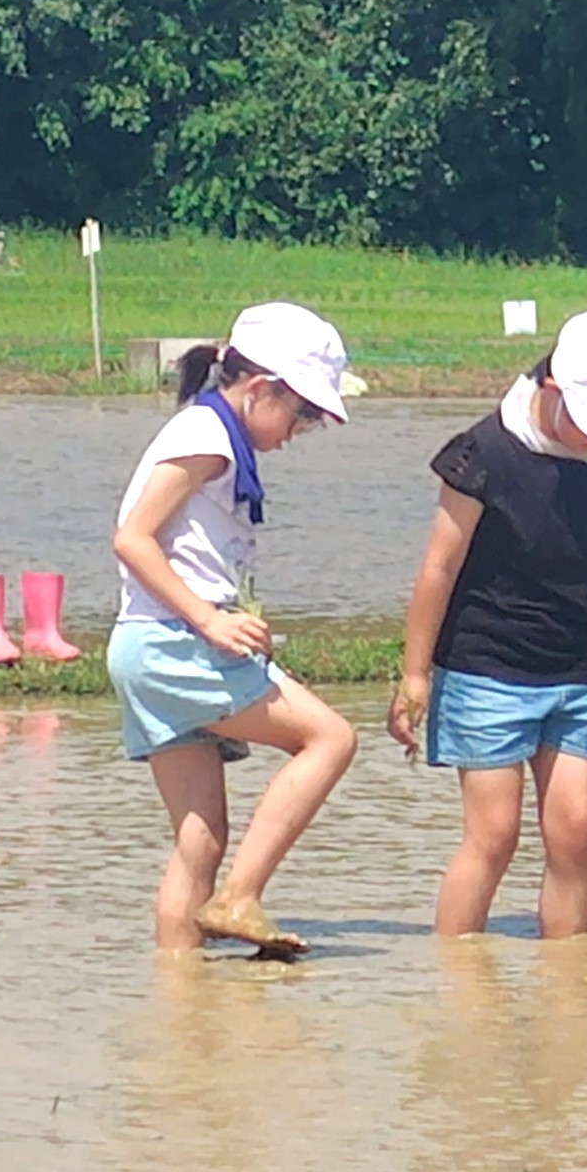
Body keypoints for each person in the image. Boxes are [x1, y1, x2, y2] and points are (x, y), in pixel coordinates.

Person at [392, 309, 587, 940]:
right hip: (486, 667)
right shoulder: (484, 453)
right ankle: (459, 979)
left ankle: (566, 986)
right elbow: (438, 566)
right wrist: (414, 673)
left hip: (574, 671)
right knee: (494, 835)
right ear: (551, 390)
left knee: (576, 833)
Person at [108, 303, 362, 959]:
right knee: (331, 739)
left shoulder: (211, 435)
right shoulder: (208, 438)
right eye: (301, 413)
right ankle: (241, 896)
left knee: (200, 840)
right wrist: (210, 619)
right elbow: (132, 540)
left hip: (146, 643)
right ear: (259, 390)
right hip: (174, 641)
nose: (302, 429)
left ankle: (182, 997)